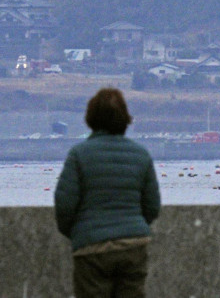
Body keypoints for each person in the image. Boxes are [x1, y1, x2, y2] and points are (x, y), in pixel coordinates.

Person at [53, 88, 161, 297]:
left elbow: (64, 205)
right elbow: (152, 206)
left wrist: (78, 232)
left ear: (91, 119)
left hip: (91, 247)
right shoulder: (141, 155)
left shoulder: (79, 155)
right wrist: (133, 227)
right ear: (125, 119)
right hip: (133, 245)